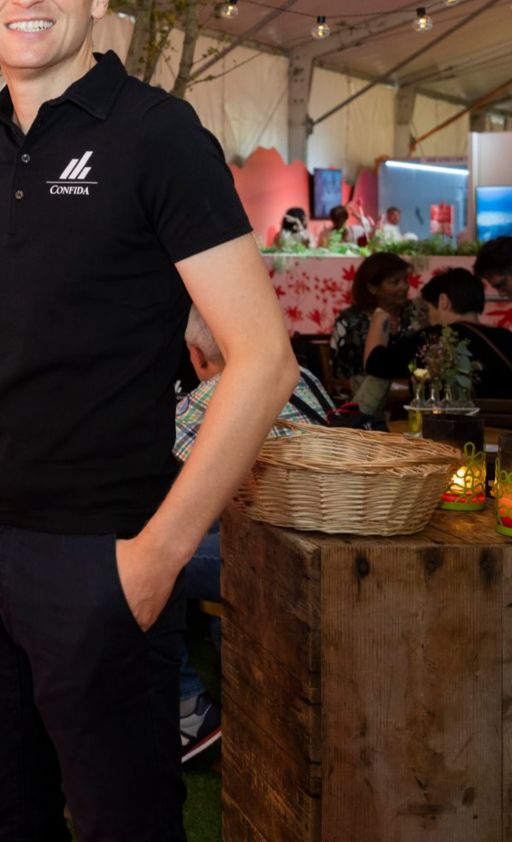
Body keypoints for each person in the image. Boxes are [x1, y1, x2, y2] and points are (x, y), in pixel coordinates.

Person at [0, 0, 297, 841]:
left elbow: (264, 361)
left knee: (121, 822)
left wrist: (159, 555)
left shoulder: (157, 135)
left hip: (101, 548)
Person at [171, 308, 336, 763]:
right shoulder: (298, 373)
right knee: (215, 522)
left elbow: (157, 465)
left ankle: (190, 711)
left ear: (196, 354)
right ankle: (241, 695)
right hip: (323, 533)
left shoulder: (219, 390)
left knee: (142, 562)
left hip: (278, 549)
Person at [364, 267, 512, 399]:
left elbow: (374, 365)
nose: (429, 316)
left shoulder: (433, 338)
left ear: (443, 301)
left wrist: (378, 320)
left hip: (454, 421)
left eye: (428, 309)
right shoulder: (506, 337)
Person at [329, 251, 426, 413]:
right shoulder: (350, 320)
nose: (404, 287)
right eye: (395, 282)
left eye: (405, 280)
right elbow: (342, 374)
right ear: (372, 287)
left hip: (412, 398)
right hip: (362, 399)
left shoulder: (416, 314)